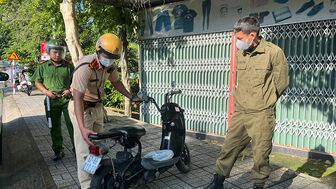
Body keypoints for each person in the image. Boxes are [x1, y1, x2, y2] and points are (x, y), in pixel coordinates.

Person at [205, 16, 289, 189]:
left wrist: (265, 101)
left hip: (261, 114)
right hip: (241, 112)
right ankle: (218, 181)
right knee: (229, 148)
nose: (237, 42)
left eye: (240, 38)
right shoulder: (241, 53)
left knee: (261, 154)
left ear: (253, 34)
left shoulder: (273, 52)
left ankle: (258, 185)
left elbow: (282, 83)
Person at [68, 33, 142, 188]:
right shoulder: (85, 67)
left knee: (98, 147)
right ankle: (88, 185)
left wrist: (131, 97)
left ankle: (97, 178)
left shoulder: (110, 66)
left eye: (114, 57)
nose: (109, 60)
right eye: (107, 56)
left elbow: (116, 82)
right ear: (98, 50)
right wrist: (82, 128)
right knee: (84, 151)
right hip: (82, 109)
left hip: (97, 108)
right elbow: (77, 98)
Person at [31, 39, 75, 161]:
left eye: (60, 52)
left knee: (73, 125)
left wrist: (70, 90)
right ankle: (58, 150)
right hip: (51, 101)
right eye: (55, 52)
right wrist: (46, 92)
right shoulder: (43, 67)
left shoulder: (69, 66)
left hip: (67, 100)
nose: (58, 54)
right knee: (54, 126)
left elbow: (76, 82)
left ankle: (77, 150)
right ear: (49, 52)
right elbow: (37, 82)